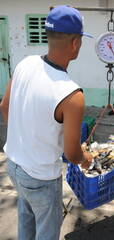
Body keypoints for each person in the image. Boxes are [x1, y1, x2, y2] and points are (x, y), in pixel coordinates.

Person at [0, 5, 93, 240]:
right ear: (75, 43)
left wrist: (26, 139)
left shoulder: (24, 63)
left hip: (14, 166)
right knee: (46, 233)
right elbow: (72, 154)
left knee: (27, 223)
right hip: (41, 177)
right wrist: (86, 158)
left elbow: (4, 107)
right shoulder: (71, 94)